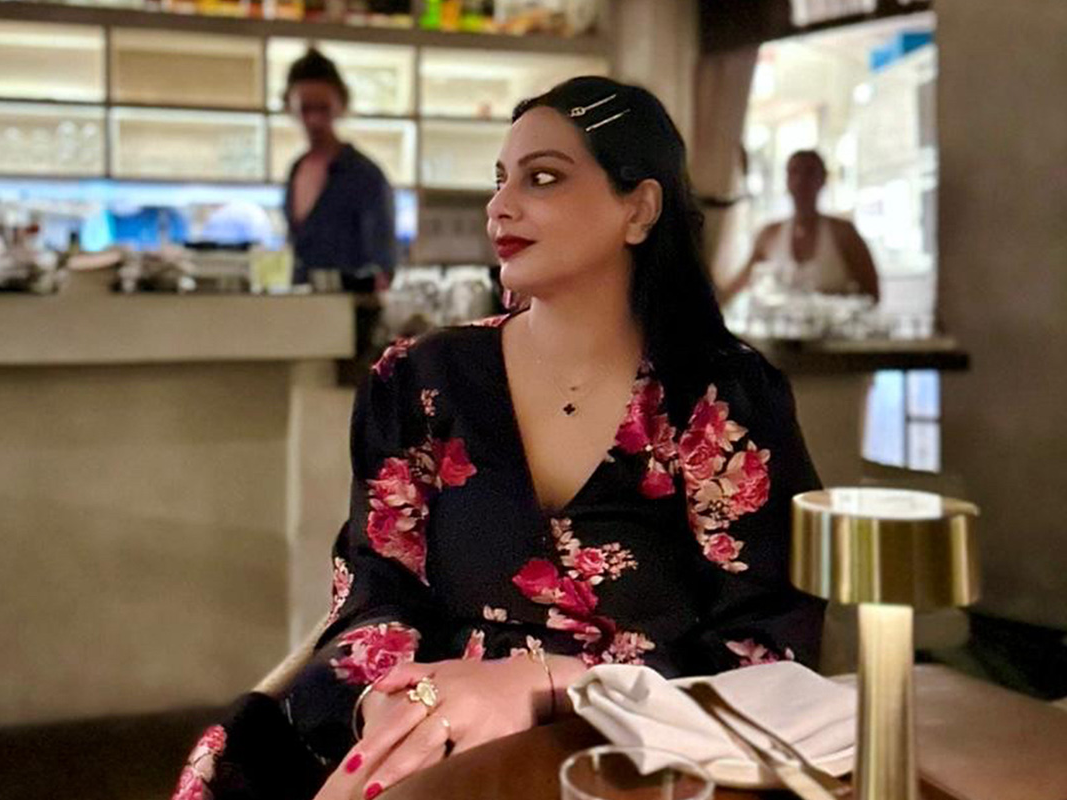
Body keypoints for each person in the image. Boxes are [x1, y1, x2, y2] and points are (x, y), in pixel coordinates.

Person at [172, 76, 825, 800]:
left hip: (640, 766)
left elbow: (769, 647)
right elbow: (374, 592)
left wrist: (549, 685)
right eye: (499, 180)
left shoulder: (722, 398)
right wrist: (388, 706)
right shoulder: (419, 381)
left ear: (639, 208)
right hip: (429, 750)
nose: (499, 207)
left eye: (541, 178)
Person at [283, 48, 396, 294]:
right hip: (299, 304)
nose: (314, 120)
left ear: (340, 105)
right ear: (290, 107)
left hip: (349, 308)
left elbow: (383, 266)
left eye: (323, 108)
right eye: (306, 109)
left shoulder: (365, 176)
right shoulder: (295, 169)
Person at [719, 150, 880, 305]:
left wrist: (828, 302)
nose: (801, 180)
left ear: (823, 179)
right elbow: (736, 286)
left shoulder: (844, 233)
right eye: (794, 172)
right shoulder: (769, 234)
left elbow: (873, 294)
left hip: (832, 324)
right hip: (781, 324)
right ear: (787, 180)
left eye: (810, 173)